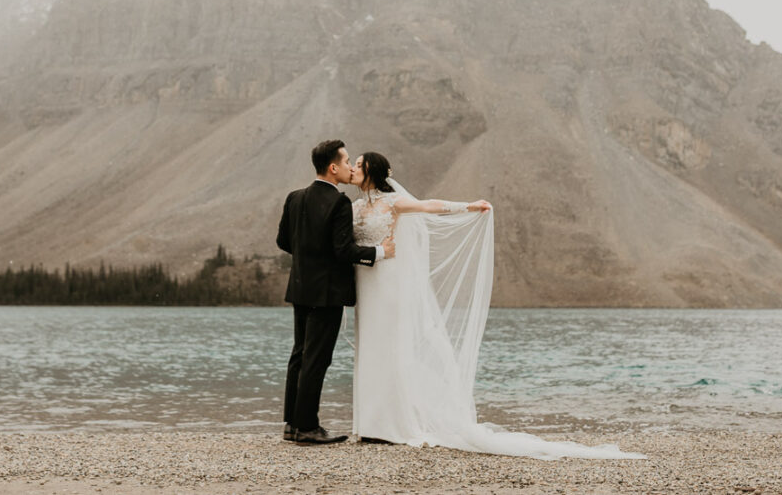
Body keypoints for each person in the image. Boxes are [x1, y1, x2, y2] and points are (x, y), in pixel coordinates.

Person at [348, 151, 646, 460]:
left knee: (393, 347)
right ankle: (371, 425)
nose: (354, 168)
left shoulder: (393, 202)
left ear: (373, 170)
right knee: (371, 347)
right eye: (353, 164)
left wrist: (469, 206)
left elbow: (429, 206)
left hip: (391, 282)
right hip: (368, 281)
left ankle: (393, 426)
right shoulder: (354, 207)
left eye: (359, 164)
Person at [277, 139, 395, 446]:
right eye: (345, 163)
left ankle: (291, 424)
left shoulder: (294, 197)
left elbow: (283, 242)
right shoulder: (339, 202)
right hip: (327, 291)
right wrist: (379, 252)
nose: (349, 169)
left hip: (300, 287)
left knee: (299, 355)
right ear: (332, 167)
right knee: (317, 359)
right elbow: (344, 251)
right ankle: (307, 427)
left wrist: (309, 257)